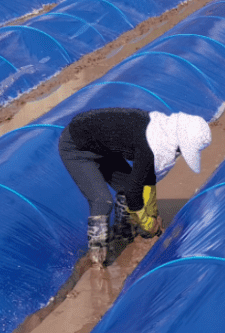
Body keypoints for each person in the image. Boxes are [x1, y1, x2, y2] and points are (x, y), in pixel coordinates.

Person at [58, 107, 212, 266]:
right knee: (103, 202)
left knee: (127, 186)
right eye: (181, 149)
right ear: (177, 139)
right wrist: (149, 224)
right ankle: (97, 258)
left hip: (103, 148)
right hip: (76, 147)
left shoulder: (160, 134)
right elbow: (134, 194)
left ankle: (122, 232)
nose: (179, 153)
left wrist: (152, 214)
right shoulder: (150, 142)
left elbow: (148, 178)